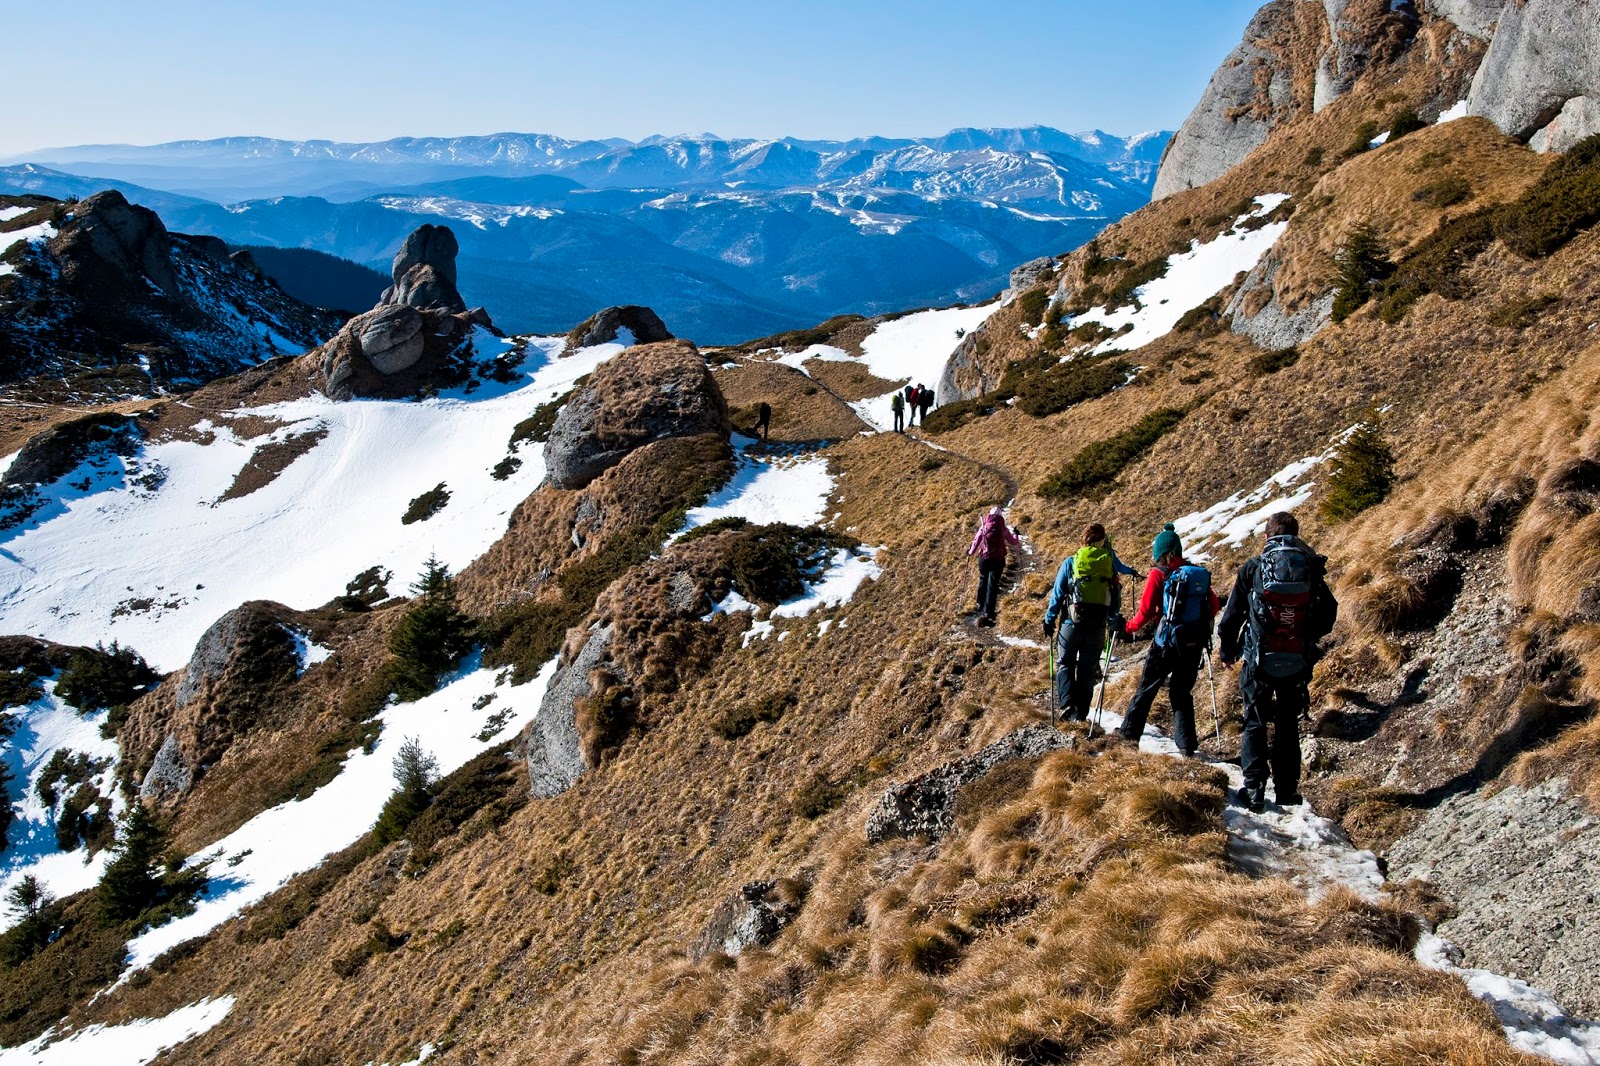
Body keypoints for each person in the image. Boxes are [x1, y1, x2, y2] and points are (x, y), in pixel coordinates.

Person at [1217, 511, 1337, 812]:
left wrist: (1228, 651)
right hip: (1296, 659)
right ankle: (1286, 790)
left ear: (1267, 536)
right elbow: (1329, 613)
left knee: (1255, 721)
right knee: (1287, 723)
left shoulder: (1254, 568)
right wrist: (1307, 637)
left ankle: (1255, 790)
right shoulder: (1308, 567)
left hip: (1259, 658)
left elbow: (1231, 616)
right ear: (1297, 535)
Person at [1117, 523, 1219, 756]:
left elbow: (1144, 613)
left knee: (1147, 688)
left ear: (1161, 553)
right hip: (1192, 643)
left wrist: (1127, 627)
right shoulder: (1195, 573)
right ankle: (1186, 745)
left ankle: (1129, 735)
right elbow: (1213, 605)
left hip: (1165, 643)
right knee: (1181, 691)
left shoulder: (1158, 574)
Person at [1042, 524, 1117, 721]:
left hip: (1070, 623)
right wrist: (1113, 618)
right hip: (1097, 625)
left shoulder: (1071, 562)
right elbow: (1115, 597)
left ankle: (1067, 703)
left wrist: (1049, 620)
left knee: (1065, 663)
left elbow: (1057, 595)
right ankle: (1081, 714)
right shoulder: (1108, 564)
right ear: (1102, 542)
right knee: (1087, 668)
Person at [967, 506, 1019, 626]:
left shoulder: (984, 526)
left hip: (984, 558)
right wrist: (1016, 534)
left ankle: (980, 603)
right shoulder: (1002, 528)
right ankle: (989, 611)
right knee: (993, 584)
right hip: (998, 559)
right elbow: (1013, 542)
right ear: (1001, 517)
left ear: (989, 515)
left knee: (983, 578)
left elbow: (976, 540)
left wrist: (970, 552)